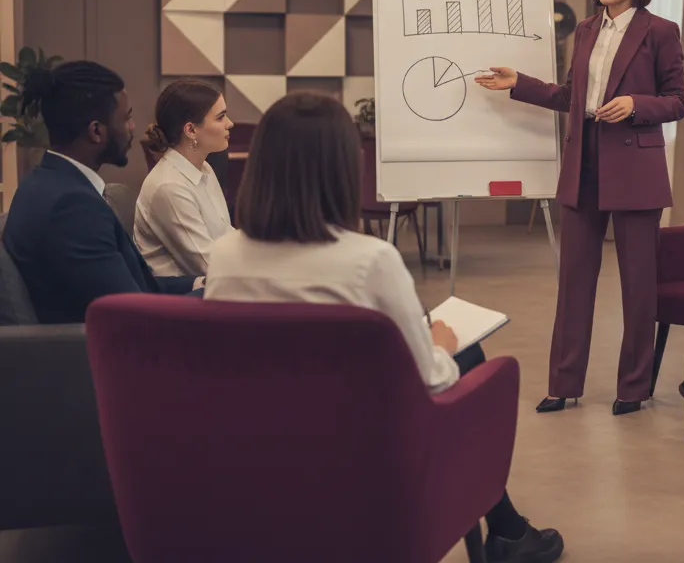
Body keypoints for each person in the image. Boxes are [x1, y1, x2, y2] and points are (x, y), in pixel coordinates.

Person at [202, 93, 564, 563]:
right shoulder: (369, 261)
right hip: (361, 457)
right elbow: (430, 379)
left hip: (256, 451)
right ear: (342, 169)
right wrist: (439, 345)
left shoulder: (225, 256)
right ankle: (509, 534)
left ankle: (510, 531)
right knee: (464, 355)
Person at [476, 0, 684, 416]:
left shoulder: (660, 31)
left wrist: (636, 105)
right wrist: (521, 84)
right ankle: (563, 382)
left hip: (635, 167)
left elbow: (678, 100)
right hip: (584, 164)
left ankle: (633, 388)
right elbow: (574, 96)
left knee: (638, 285)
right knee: (574, 281)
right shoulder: (587, 31)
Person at [3, 61, 199, 324]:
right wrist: (222, 295)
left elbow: (136, 287)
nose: (133, 127)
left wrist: (202, 284)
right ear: (96, 131)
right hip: (92, 358)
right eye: (127, 117)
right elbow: (134, 315)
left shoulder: (45, 183)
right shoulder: (72, 209)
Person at [134, 79, 234, 280]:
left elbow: (226, 238)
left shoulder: (204, 168)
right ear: (190, 130)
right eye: (221, 117)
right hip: (180, 301)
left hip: (212, 288)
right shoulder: (169, 186)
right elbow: (209, 265)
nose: (230, 123)